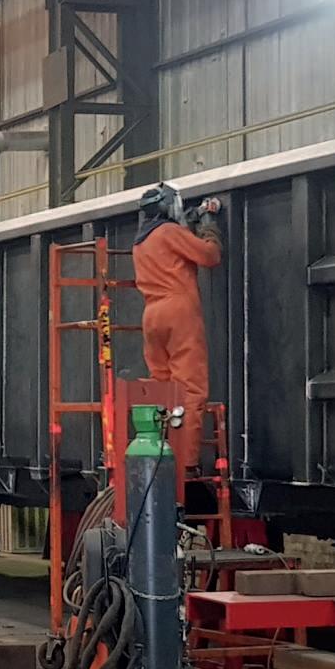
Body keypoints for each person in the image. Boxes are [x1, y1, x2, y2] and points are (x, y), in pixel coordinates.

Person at [132, 183, 223, 470]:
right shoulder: (169, 233)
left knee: (162, 387)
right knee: (190, 390)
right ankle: (186, 464)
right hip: (178, 311)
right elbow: (209, 256)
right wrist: (209, 226)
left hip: (152, 315)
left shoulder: (141, 242)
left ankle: (160, 455)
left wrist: (190, 222)